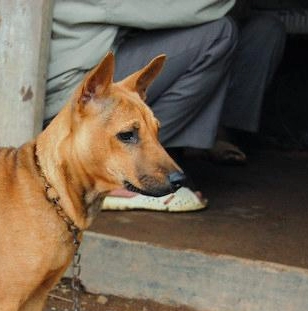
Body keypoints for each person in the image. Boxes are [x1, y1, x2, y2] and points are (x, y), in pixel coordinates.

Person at [45, 0, 286, 211]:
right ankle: (121, 179)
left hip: (98, 59)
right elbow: (199, 6)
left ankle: (192, 144)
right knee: (220, 33)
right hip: (73, 94)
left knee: (264, 28)